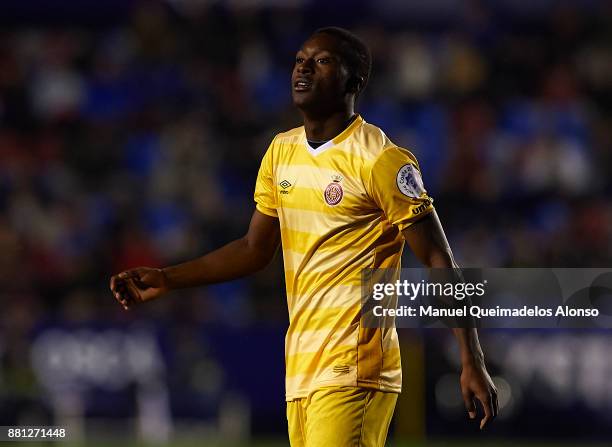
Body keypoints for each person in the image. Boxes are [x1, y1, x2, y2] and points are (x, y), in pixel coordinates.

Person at [110, 26, 498, 446]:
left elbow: (440, 260)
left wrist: (470, 356)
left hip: (355, 366)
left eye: (322, 61)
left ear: (354, 80)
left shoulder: (381, 160)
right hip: (301, 369)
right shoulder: (281, 152)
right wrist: (167, 278)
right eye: (300, 60)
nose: (304, 69)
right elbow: (253, 249)